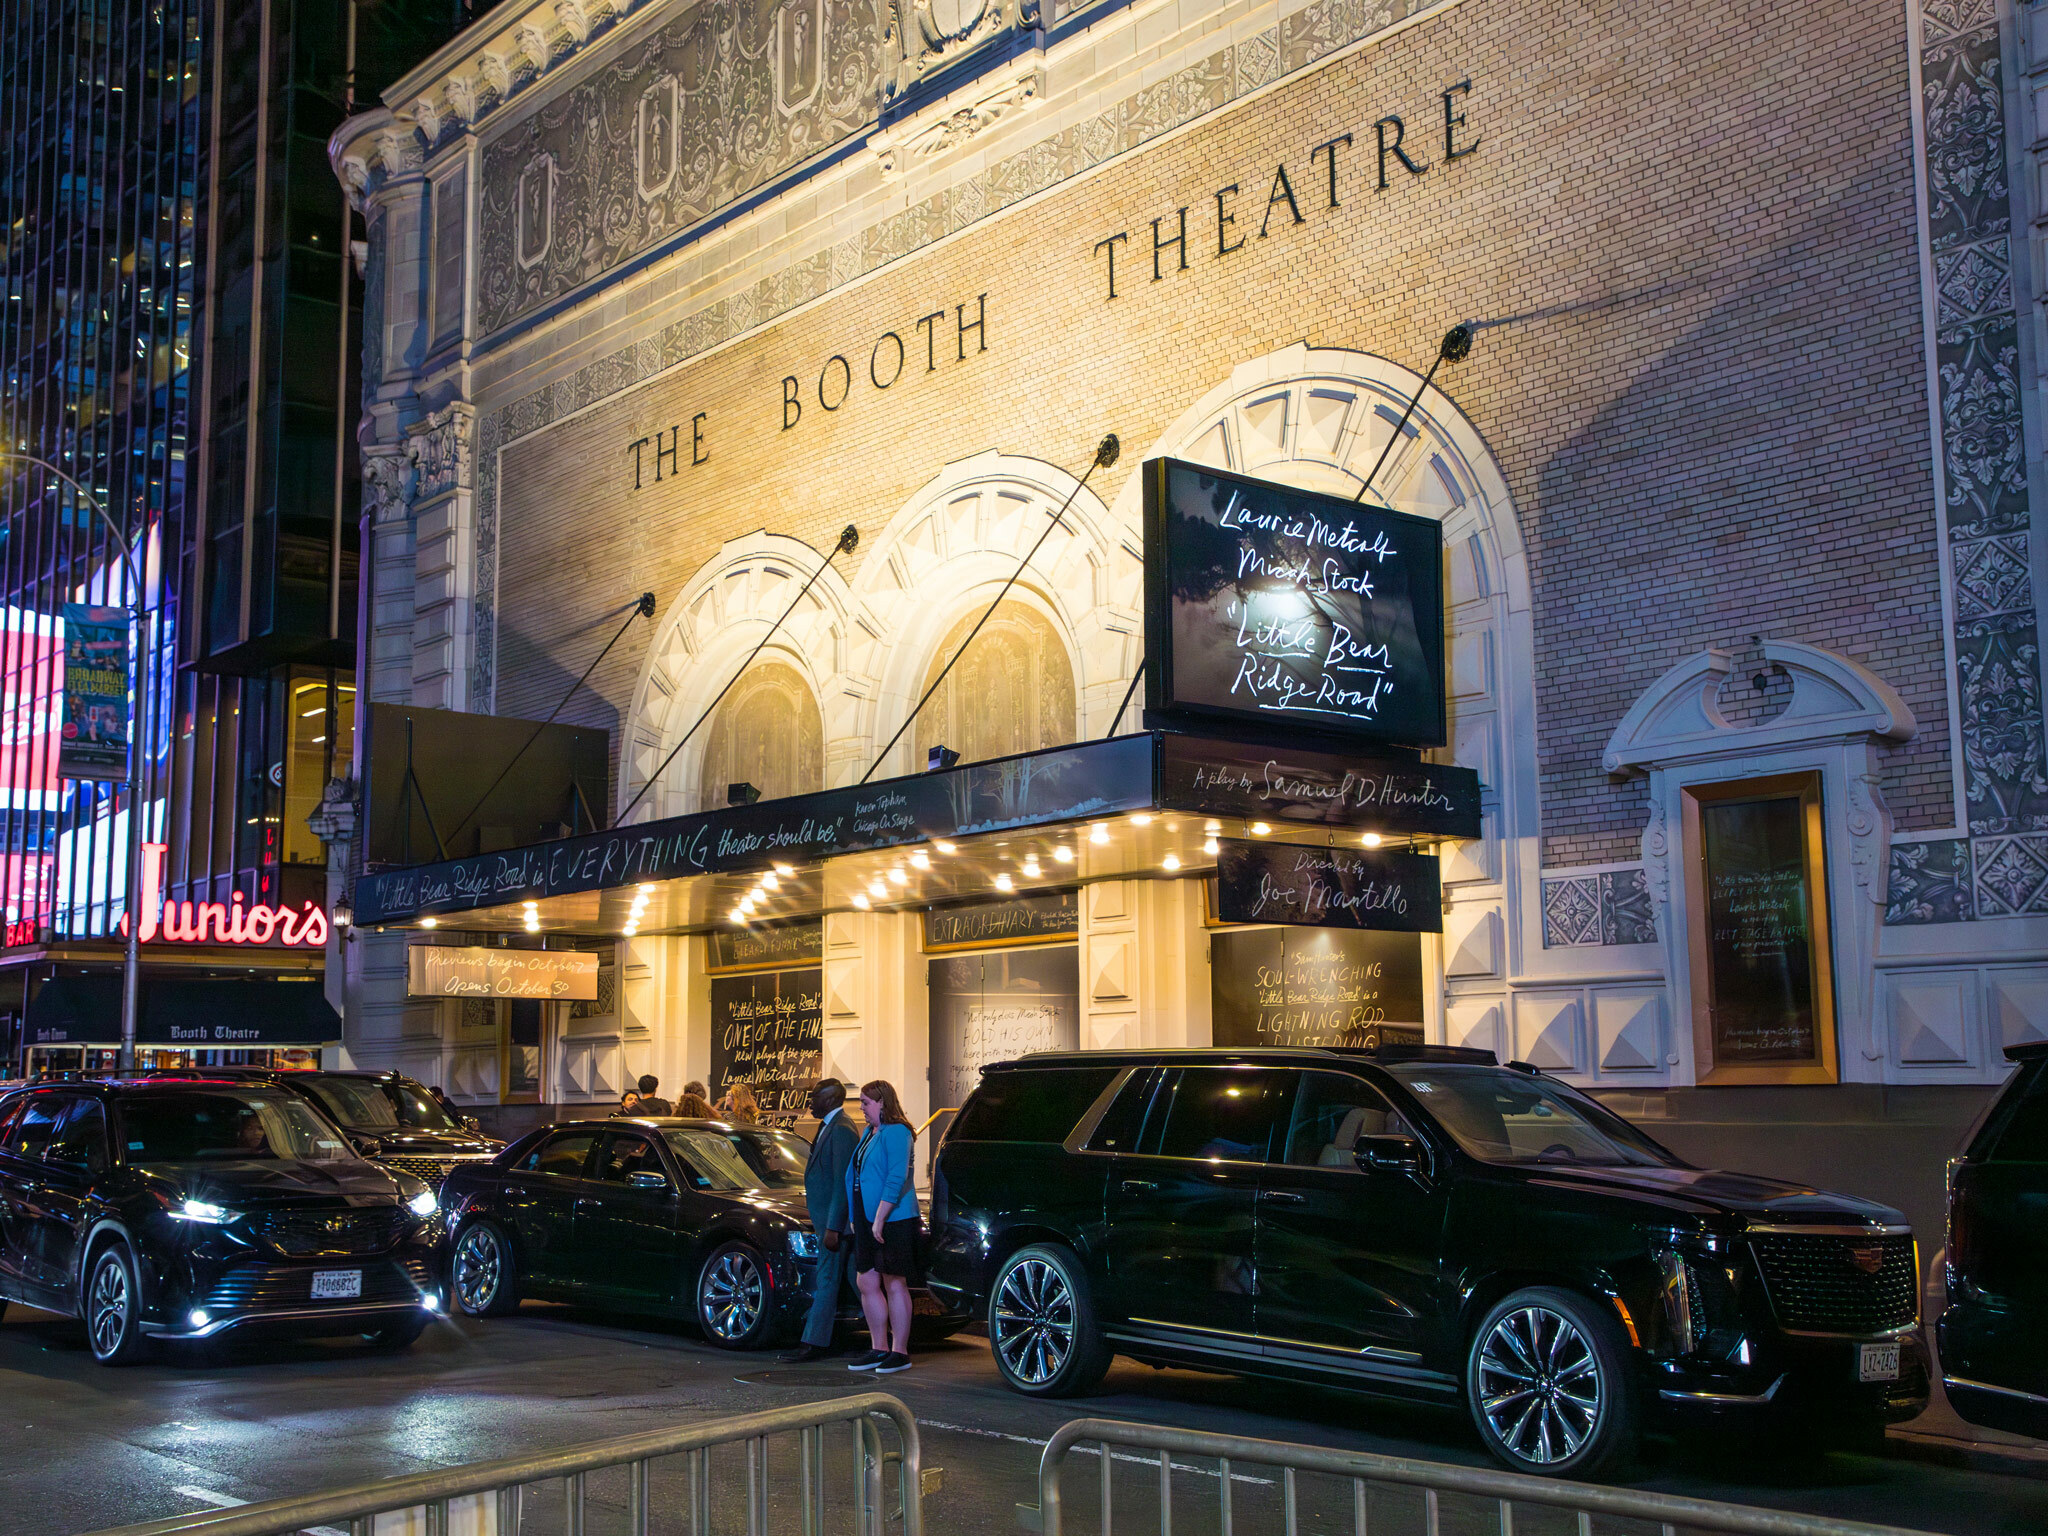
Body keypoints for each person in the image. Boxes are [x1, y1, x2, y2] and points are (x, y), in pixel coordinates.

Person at [780, 1079, 858, 1363]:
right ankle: (889, 1339)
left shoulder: (841, 1129)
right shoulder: (831, 1127)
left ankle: (813, 1343)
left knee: (827, 1281)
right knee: (856, 1282)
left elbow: (842, 1183)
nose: (810, 1102)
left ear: (831, 1099)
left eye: (815, 1097)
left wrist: (834, 1227)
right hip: (829, 1222)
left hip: (833, 1225)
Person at [844, 1079, 918, 1375]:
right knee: (867, 1280)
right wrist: (856, 1215)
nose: (861, 1108)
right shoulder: (868, 1133)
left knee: (894, 1281)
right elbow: (857, 1176)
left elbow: (896, 1178)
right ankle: (878, 1347)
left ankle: (899, 1351)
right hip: (867, 1216)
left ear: (882, 1102)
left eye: (865, 1103)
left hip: (893, 1218)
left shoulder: (898, 1132)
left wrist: (880, 1218)